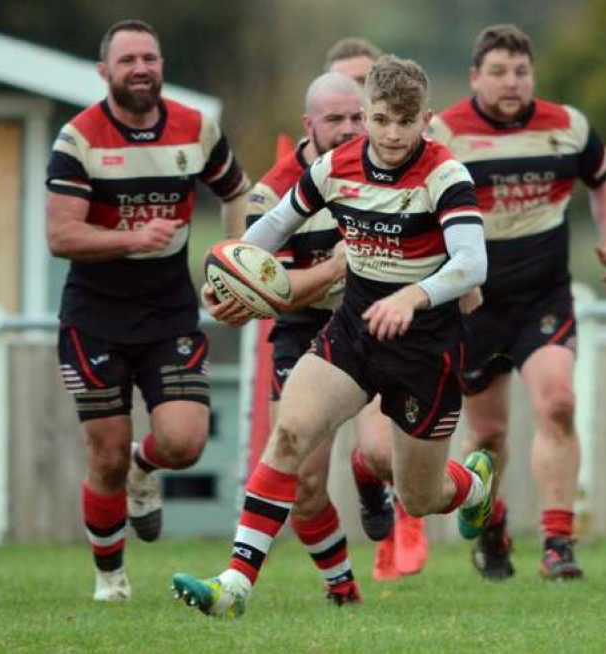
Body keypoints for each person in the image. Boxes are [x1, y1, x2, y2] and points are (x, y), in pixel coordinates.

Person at [171, 55, 497, 618]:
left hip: (427, 348)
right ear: (367, 117)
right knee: (290, 436)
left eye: (405, 121)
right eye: (381, 119)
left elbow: (472, 264)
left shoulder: (446, 175)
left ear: (427, 120)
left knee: (419, 497)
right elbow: (269, 229)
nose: (392, 134)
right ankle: (235, 584)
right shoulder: (334, 167)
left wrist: (412, 296)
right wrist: (231, 272)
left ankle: (469, 486)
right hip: (354, 331)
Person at [45, 20, 249, 602]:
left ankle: (146, 466)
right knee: (104, 456)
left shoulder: (195, 128)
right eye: (128, 59)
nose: (141, 68)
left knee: (183, 443)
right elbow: (60, 235)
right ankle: (111, 578)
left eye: (151, 58)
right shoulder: (78, 139)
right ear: (104, 71)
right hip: (95, 319)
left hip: (169, 314)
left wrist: (228, 263)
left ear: (162, 65)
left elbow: (237, 191)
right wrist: (130, 239)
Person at [425, 24, 606, 581]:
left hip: (544, 294)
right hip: (473, 304)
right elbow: (418, 209)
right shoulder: (444, 134)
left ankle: (557, 544)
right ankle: (493, 528)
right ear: (475, 77)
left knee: (558, 403)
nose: (511, 82)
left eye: (520, 71)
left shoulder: (567, 126)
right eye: (498, 72)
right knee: (487, 434)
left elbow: (605, 182)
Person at [243, 71, 365, 604]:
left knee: (385, 459)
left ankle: (374, 474)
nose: (348, 130)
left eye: (357, 117)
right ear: (307, 124)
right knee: (306, 484)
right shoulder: (272, 192)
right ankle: (343, 589)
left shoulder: (388, 170)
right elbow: (272, 293)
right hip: (304, 328)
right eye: (335, 119)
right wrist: (337, 268)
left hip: (380, 323)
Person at [323, 37, 432, 583]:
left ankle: (389, 496)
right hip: (314, 325)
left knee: (384, 451)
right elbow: (261, 244)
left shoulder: (424, 157)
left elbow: (460, 246)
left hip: (392, 324)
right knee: (295, 458)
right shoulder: (315, 170)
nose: (358, 118)